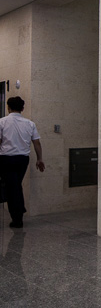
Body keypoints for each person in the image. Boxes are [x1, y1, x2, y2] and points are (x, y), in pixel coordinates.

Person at [0, 96, 45, 228]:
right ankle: (19, 213)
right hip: (22, 160)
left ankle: (17, 218)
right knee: (15, 186)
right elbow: (37, 143)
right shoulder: (30, 124)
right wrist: (40, 159)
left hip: (6, 159)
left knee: (12, 188)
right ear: (22, 109)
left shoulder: (2, 122)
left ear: (8, 108)